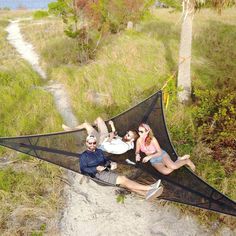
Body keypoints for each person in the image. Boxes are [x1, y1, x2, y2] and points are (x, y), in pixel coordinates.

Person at [80, 134, 163, 201]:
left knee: (125, 184)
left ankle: (146, 194)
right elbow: (83, 169)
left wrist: (111, 164)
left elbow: (106, 161)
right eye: (90, 143)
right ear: (86, 143)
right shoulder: (84, 156)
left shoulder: (99, 151)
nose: (92, 145)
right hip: (98, 176)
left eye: (94, 143)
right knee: (123, 179)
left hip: (106, 173)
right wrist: (95, 168)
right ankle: (150, 188)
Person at [62, 117, 139, 154]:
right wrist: (112, 126)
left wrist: (111, 137)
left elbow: (107, 147)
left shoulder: (123, 147)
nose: (126, 135)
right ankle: (92, 126)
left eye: (128, 135)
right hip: (105, 136)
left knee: (86, 125)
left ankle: (71, 129)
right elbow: (116, 135)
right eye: (127, 133)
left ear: (132, 140)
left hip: (100, 143)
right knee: (99, 119)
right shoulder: (125, 140)